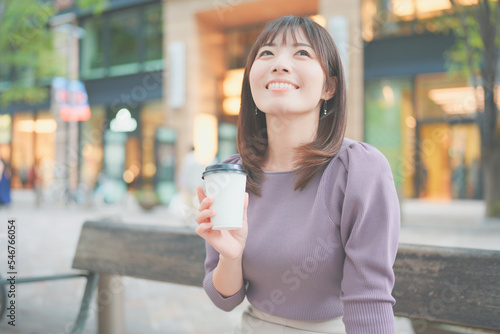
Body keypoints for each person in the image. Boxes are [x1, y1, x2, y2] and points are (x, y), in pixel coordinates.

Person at [195, 16, 400, 333]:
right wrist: (230, 256)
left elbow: (369, 300)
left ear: (329, 87)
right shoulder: (231, 174)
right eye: (266, 53)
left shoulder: (358, 169)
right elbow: (224, 298)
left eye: (301, 53)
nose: (279, 64)